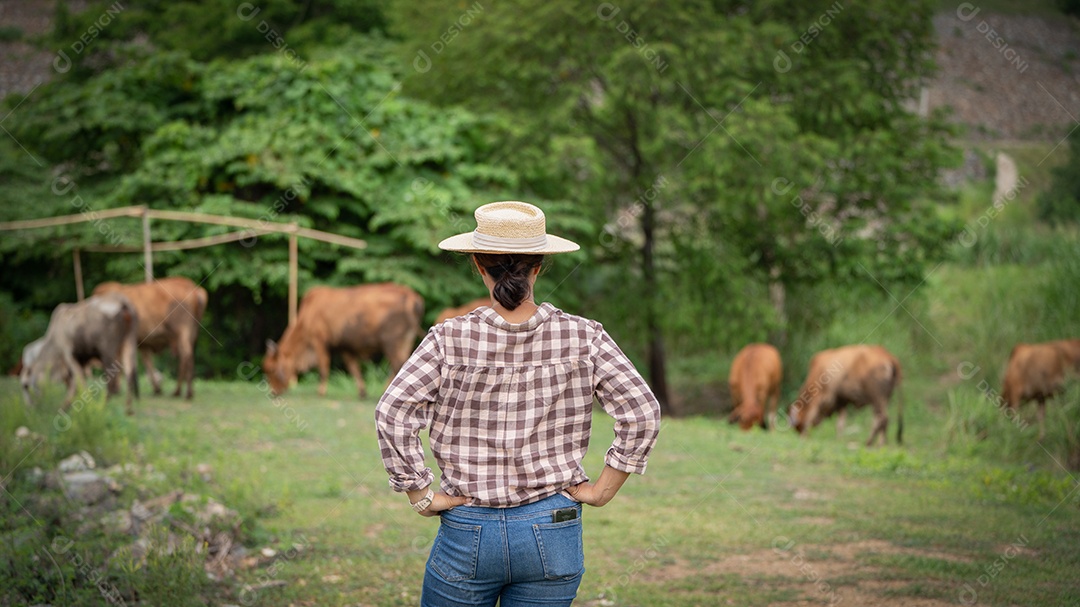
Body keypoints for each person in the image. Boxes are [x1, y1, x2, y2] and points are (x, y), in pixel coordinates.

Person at [375, 201, 662, 607]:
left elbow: (391, 411)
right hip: (554, 528)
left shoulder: (446, 339)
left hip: (467, 528)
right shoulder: (586, 338)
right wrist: (602, 491)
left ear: (477, 264)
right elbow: (643, 411)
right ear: (539, 266)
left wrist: (419, 493)